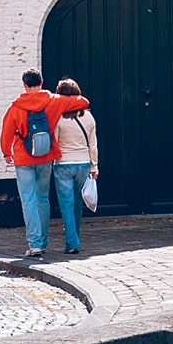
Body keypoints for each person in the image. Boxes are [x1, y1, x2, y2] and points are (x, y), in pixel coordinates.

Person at [0, 70, 89, 258]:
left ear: (24, 84)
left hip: (24, 158)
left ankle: (35, 244)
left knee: (28, 200)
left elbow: (6, 132)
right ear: (42, 82)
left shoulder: (16, 107)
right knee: (42, 199)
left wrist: (7, 153)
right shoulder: (54, 101)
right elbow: (83, 102)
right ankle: (44, 240)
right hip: (46, 156)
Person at [50, 78, 99, 255]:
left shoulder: (59, 118)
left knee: (66, 205)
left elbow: (54, 141)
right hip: (83, 163)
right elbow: (92, 145)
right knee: (77, 204)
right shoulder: (88, 117)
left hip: (63, 164)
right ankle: (75, 237)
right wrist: (94, 167)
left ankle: (72, 242)